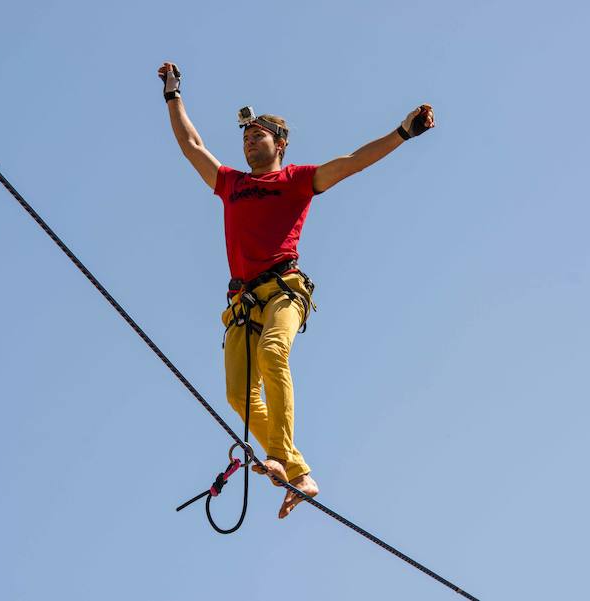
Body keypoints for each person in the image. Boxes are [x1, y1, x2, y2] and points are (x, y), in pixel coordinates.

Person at [158, 62, 435, 519]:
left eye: (258, 136)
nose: (249, 141)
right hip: (243, 304)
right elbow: (192, 145)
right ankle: (296, 468)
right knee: (238, 394)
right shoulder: (232, 184)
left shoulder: (296, 180)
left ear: (280, 145)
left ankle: (282, 459)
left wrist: (401, 133)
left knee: (273, 354)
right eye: (245, 137)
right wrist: (174, 95)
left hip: (284, 291)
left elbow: (350, 163)